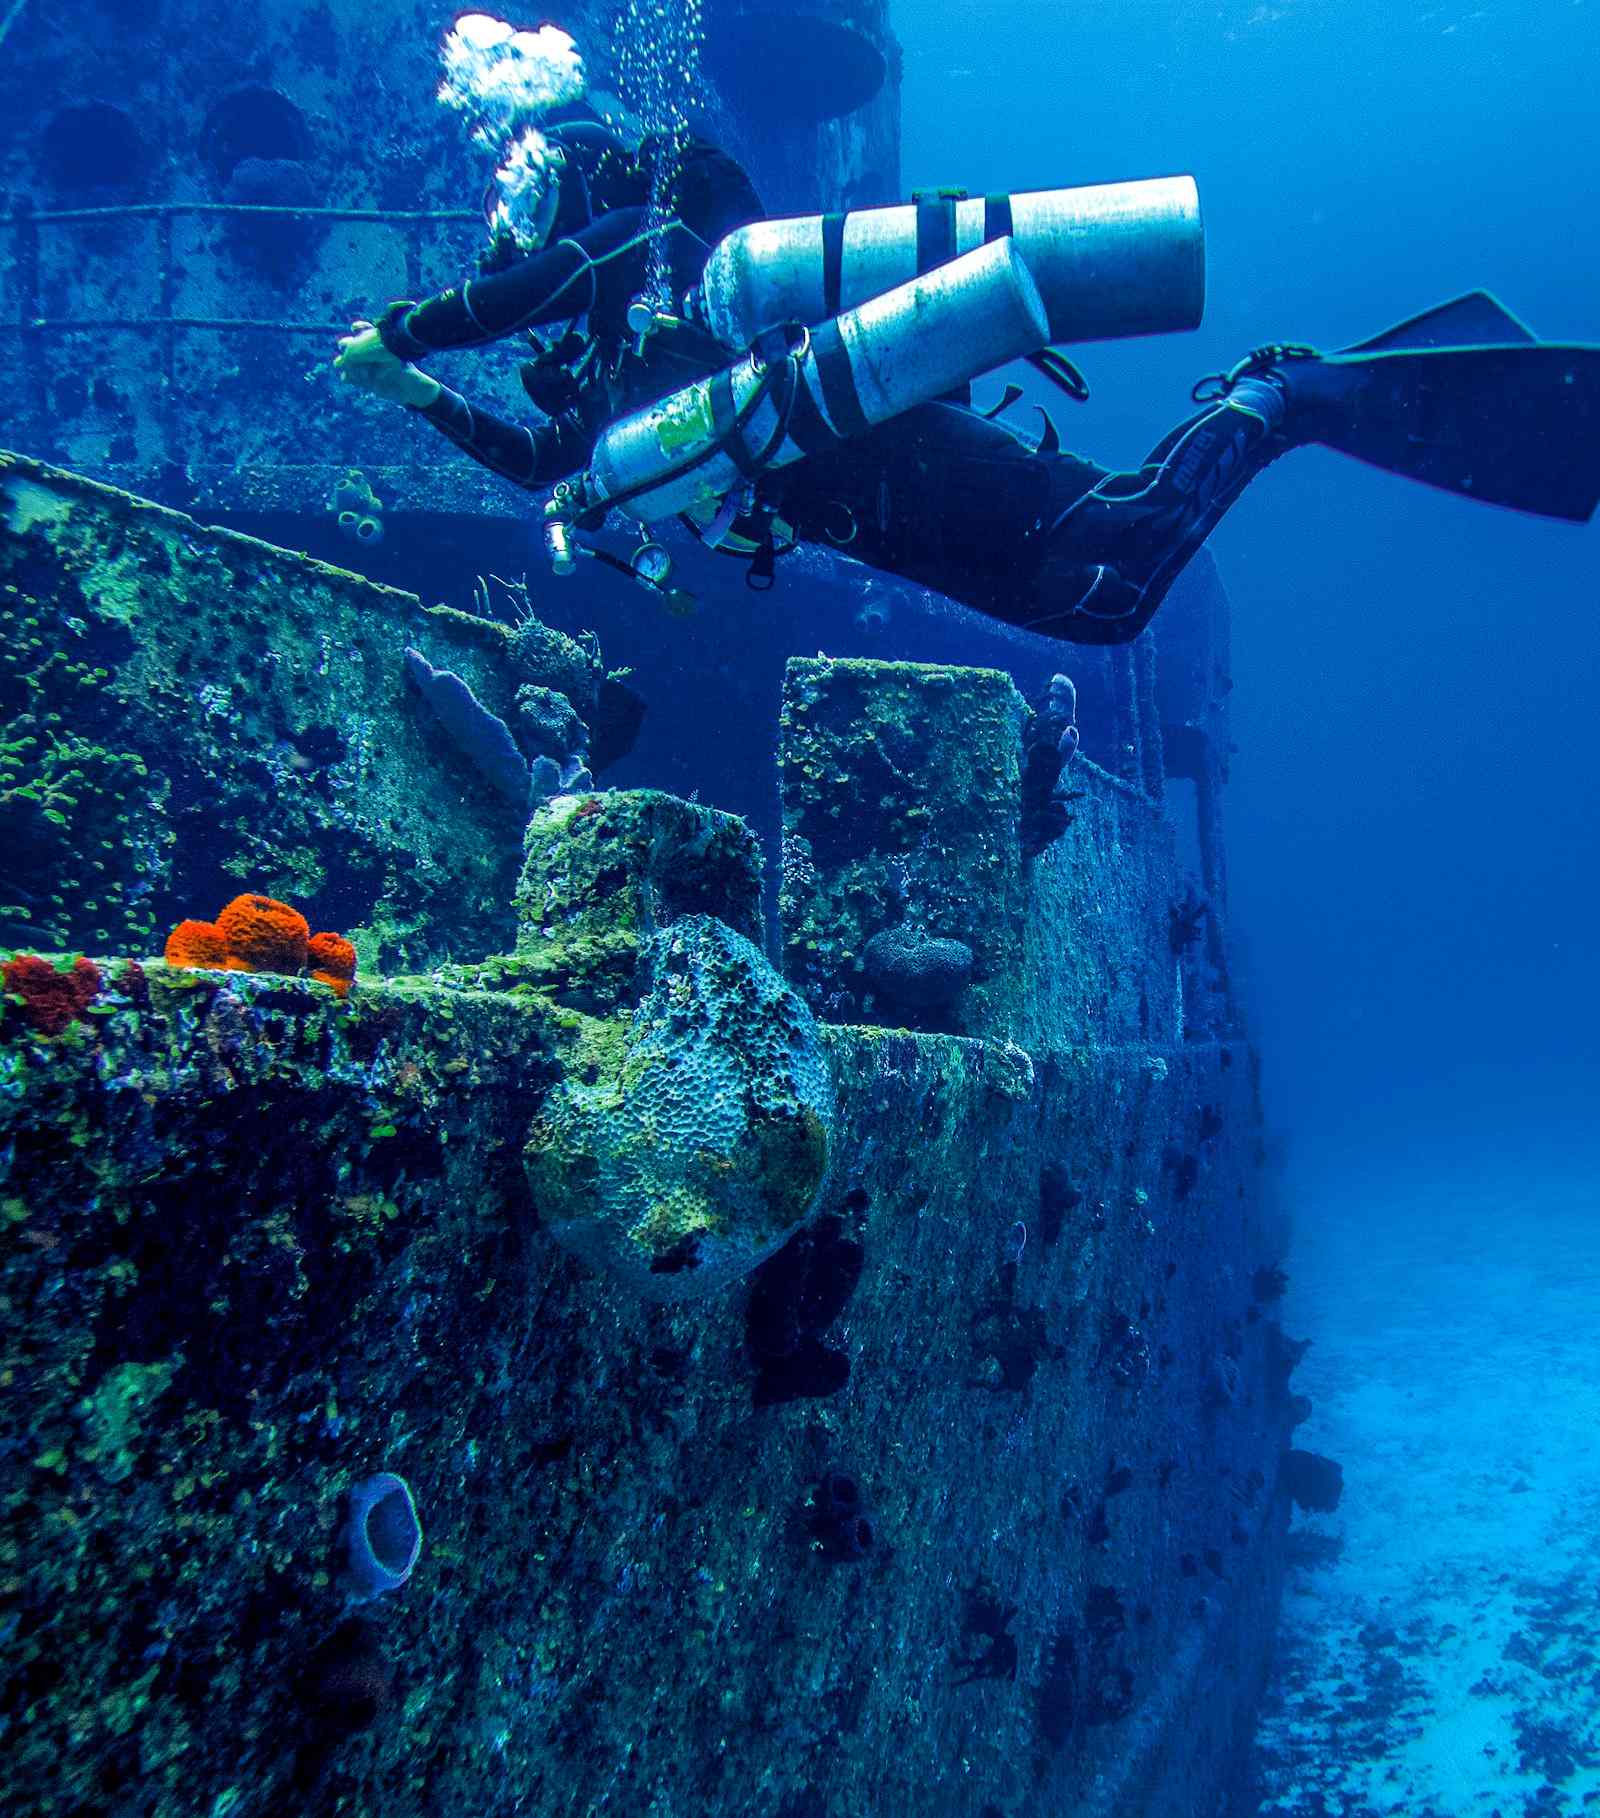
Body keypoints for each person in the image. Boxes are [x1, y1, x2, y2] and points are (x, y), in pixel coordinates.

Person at [337, 61, 1600, 644]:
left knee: (1121, 541)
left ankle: (1277, 398)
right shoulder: (614, 390)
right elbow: (536, 466)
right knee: (1103, 614)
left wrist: (410, 328)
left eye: (522, 221)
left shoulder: (660, 258)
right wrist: (415, 391)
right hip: (869, 517)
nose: (516, 256)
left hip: (910, 460)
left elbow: (552, 279)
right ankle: (1271, 405)